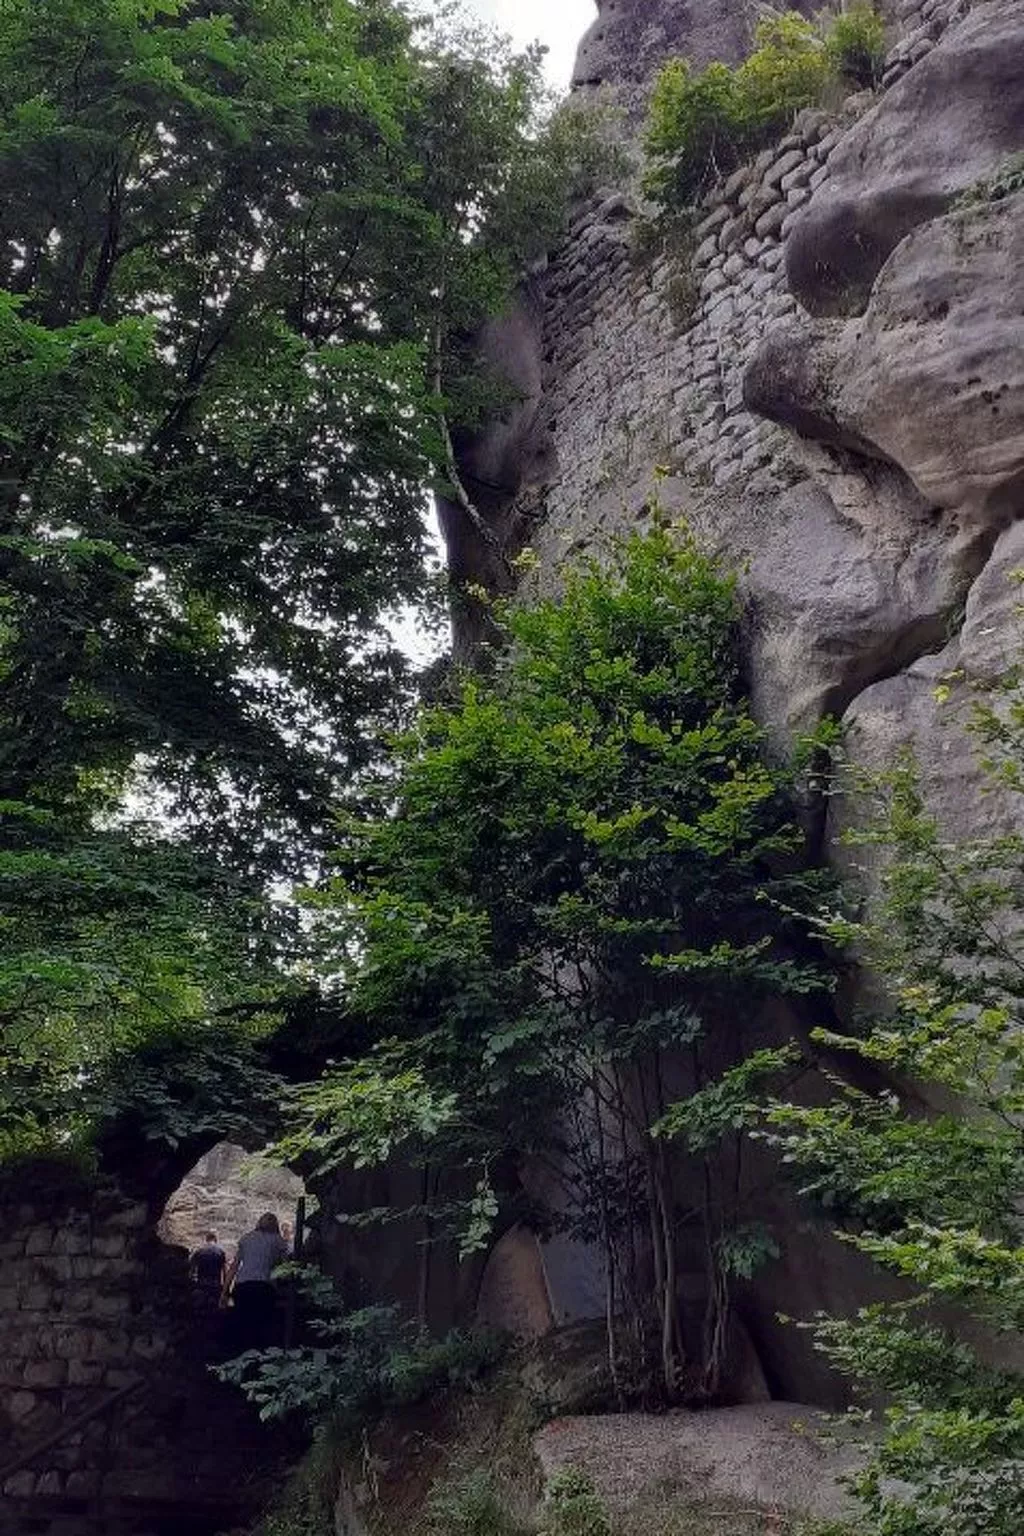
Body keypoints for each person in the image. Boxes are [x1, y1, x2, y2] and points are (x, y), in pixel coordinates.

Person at [222, 1212, 290, 1351]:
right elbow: (286, 1268)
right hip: (264, 1288)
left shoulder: (246, 1239)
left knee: (242, 1325)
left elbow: (234, 1267)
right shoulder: (279, 1241)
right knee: (262, 1326)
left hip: (242, 1287)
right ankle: (259, 1360)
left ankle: (238, 1357)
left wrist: (224, 1292)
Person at [189, 1231, 226, 1309]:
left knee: (201, 1309)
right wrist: (225, 1289)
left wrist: (191, 1284)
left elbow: (191, 1270)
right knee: (214, 1311)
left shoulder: (199, 1251)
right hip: (215, 1285)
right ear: (216, 1240)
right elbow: (224, 1272)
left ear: (206, 1239)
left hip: (202, 1285)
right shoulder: (221, 1252)